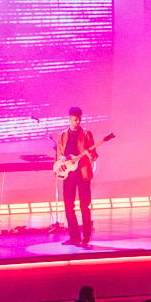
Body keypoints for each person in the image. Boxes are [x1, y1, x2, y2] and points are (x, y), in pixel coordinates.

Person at [56, 106, 98, 247]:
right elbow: (59, 154)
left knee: (84, 205)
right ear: (69, 118)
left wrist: (91, 155)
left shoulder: (87, 134)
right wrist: (63, 159)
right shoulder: (62, 135)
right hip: (69, 174)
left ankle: (86, 235)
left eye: (80, 118)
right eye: (75, 119)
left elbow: (94, 154)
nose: (78, 121)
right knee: (68, 206)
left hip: (82, 174)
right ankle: (74, 236)